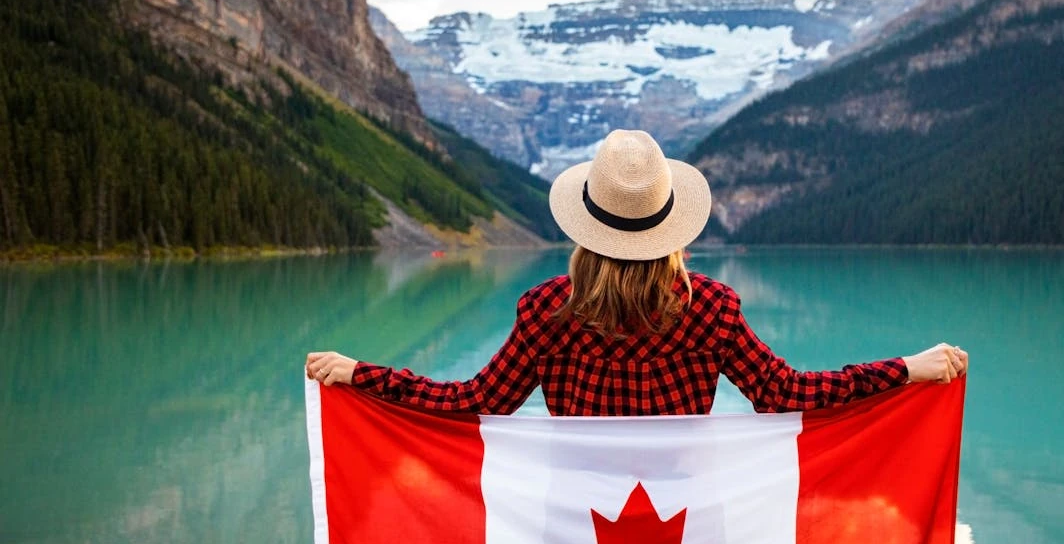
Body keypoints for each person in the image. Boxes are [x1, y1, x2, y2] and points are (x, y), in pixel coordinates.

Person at [306, 130, 967, 413]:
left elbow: (472, 403)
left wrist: (363, 374)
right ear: (670, 226)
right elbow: (786, 392)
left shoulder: (546, 311)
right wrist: (908, 368)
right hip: (688, 530)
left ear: (585, 225)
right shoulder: (711, 307)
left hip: (575, 533)